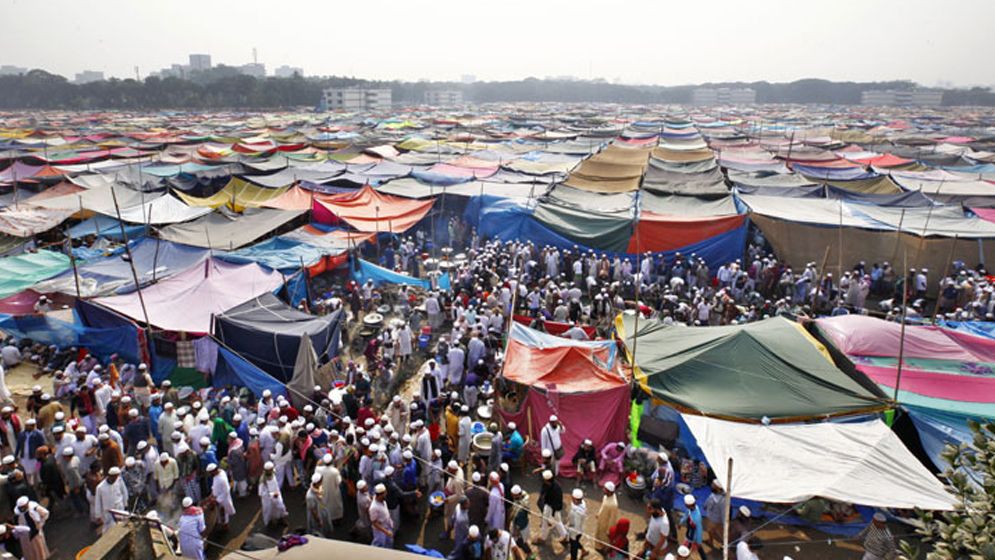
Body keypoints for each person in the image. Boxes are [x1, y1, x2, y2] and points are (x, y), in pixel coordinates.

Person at [535, 469, 567, 547]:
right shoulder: (547, 484)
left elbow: (558, 503)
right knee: (547, 521)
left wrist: (552, 514)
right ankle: (544, 537)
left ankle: (564, 536)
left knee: (557, 522)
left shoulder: (556, 489)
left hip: (554, 508)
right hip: (548, 505)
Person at [94, 466, 128, 534]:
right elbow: (98, 502)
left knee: (122, 525)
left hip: (119, 507)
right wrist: (98, 515)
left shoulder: (119, 480)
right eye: (114, 476)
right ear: (109, 476)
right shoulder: (100, 487)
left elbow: (124, 491)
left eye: (116, 476)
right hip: (108, 511)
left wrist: (125, 503)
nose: (115, 478)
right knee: (109, 530)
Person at [258, 461, 287, 526]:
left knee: (281, 507)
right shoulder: (263, 480)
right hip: (268, 500)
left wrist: (276, 493)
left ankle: (282, 519)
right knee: (270, 511)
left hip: (277, 495)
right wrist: (271, 495)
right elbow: (261, 493)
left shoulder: (273, 474)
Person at [207, 463, 235, 530]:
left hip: (222, 500)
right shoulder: (219, 473)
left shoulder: (221, 479)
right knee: (219, 513)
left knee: (223, 513)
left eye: (211, 473)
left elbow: (226, 490)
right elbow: (215, 486)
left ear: (214, 471)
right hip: (216, 497)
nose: (210, 474)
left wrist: (217, 500)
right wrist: (212, 494)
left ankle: (225, 526)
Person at [595, 481, 620, 553]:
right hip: (600, 520)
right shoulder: (605, 497)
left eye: (605, 489)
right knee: (597, 535)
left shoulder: (614, 504)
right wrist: (599, 514)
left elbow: (613, 519)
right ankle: (598, 547)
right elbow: (602, 506)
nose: (603, 490)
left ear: (609, 491)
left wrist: (610, 531)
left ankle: (606, 549)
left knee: (605, 539)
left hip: (606, 525)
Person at [369, 483, 394, 548]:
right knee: (379, 545)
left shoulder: (382, 500)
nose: (386, 494)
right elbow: (374, 523)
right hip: (380, 531)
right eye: (384, 493)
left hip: (387, 526)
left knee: (389, 543)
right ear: (380, 495)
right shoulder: (374, 507)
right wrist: (386, 532)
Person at [566, 487, 587, 560]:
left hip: (575, 531)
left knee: (573, 547)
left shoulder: (577, 512)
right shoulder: (582, 503)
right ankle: (583, 550)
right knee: (575, 542)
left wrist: (572, 534)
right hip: (579, 529)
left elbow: (576, 526)